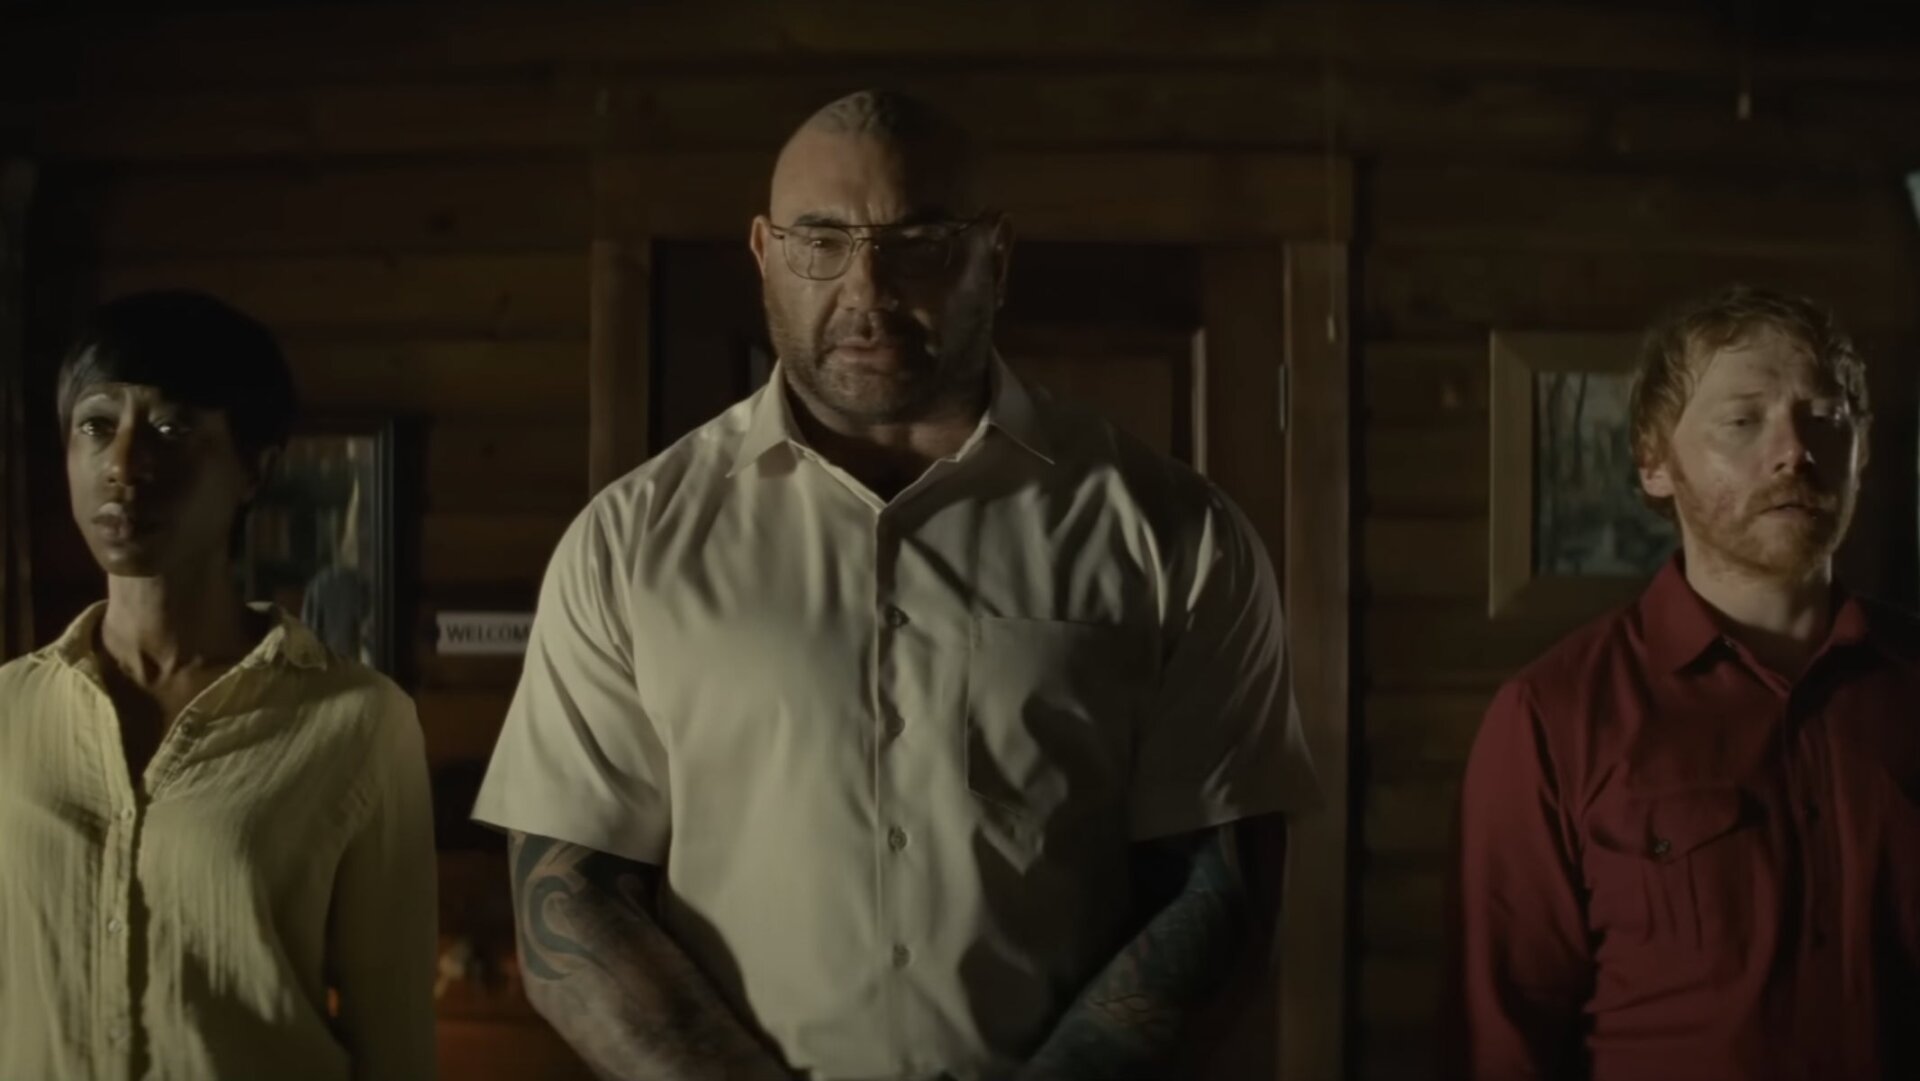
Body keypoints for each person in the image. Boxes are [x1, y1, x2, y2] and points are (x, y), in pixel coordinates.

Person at [473, 89, 1320, 1081]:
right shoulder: (626, 545)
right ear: (765, 254)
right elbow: (571, 907)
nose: (866, 287)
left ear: (994, 257)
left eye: (918, 243)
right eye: (821, 240)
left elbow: (1218, 898)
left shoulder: (1174, 533)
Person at [1449, 285, 1920, 1080]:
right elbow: (1500, 1040)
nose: (1793, 450)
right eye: (1743, 421)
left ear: (1862, 448)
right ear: (1654, 462)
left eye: (1825, 416)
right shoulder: (1554, 718)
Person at [0, 290, 438, 1081]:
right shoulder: (8, 711)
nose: (123, 464)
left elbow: (395, 1037)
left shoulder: (359, 723)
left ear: (254, 468)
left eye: (172, 428)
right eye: (96, 425)